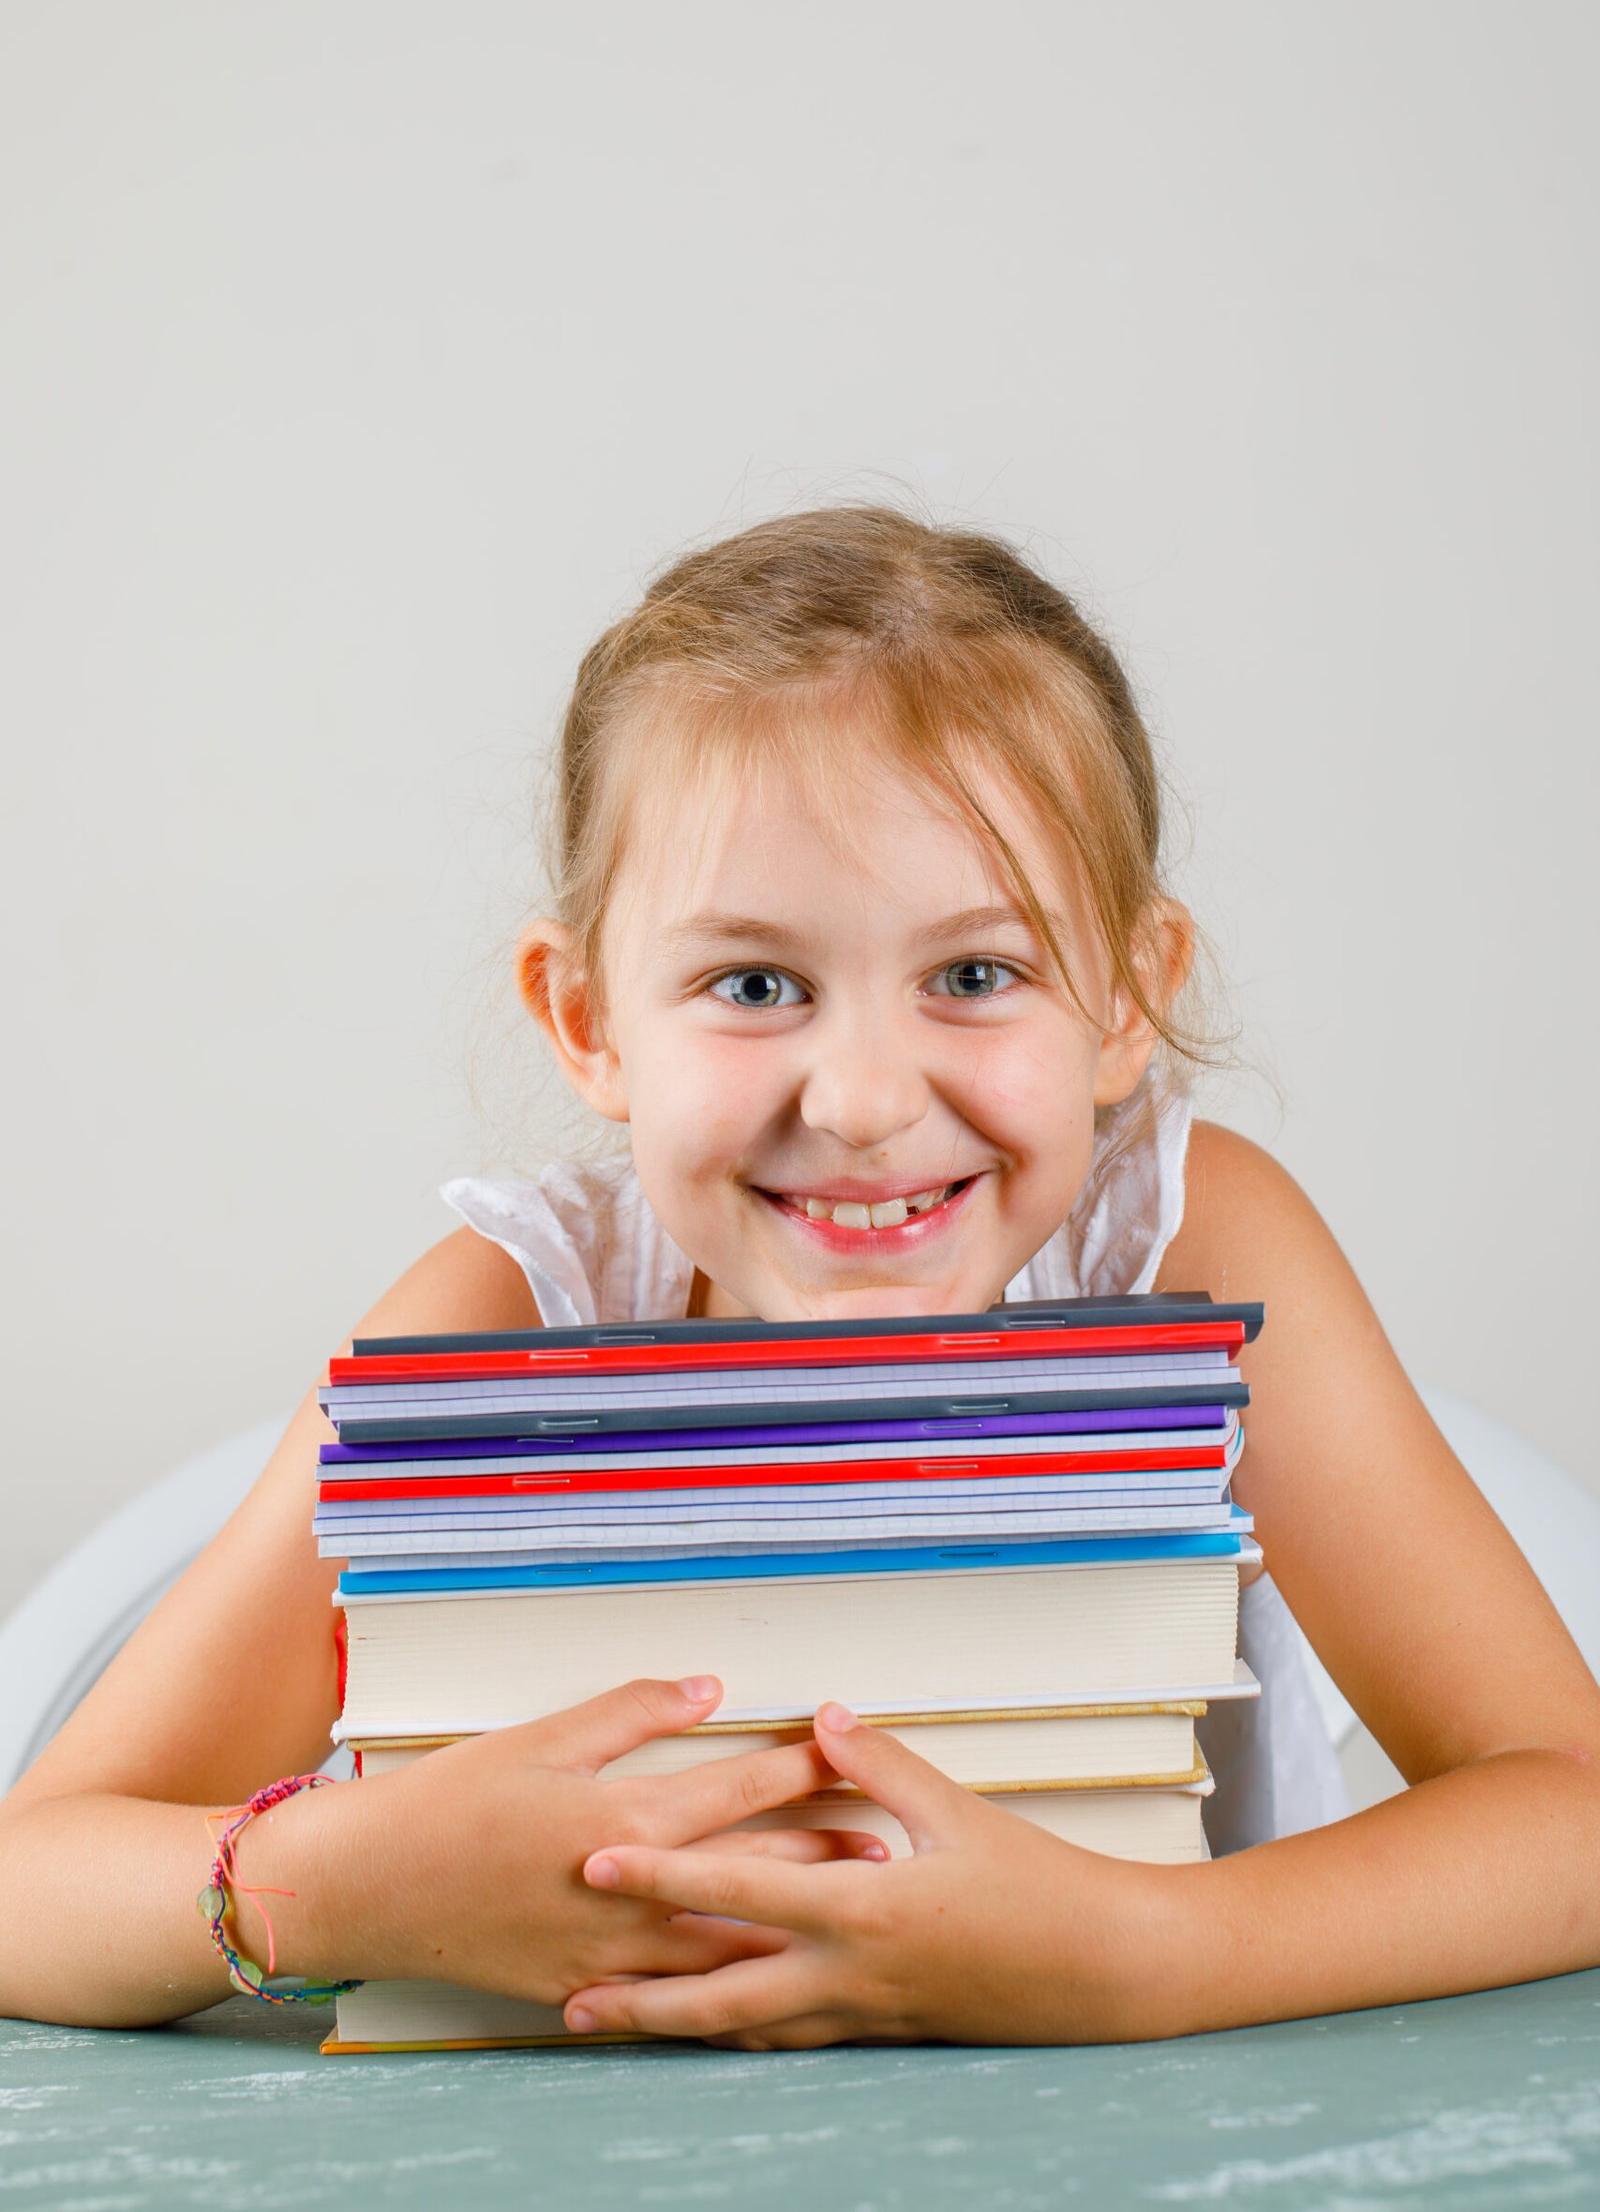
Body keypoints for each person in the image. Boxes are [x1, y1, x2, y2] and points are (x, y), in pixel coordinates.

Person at [4, 505, 1597, 2045]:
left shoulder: (1191, 1251)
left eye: (976, 974)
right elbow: (29, 1885)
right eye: (754, 983)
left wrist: (1147, 1955)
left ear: (1127, 1000)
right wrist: (332, 1889)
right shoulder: (503, 1310)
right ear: (587, 1022)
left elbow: (1569, 1812)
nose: (862, 1103)